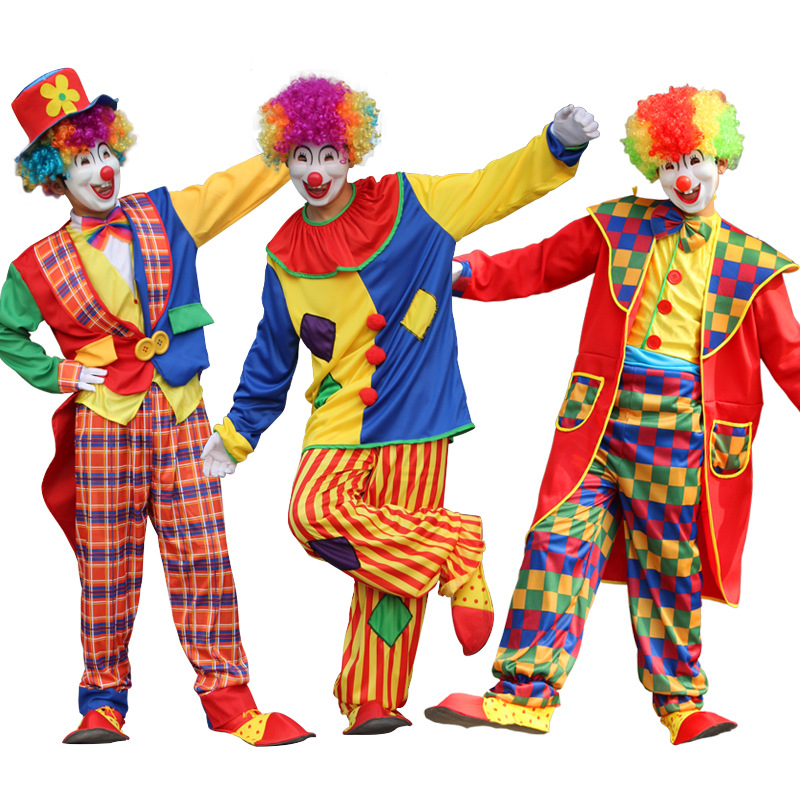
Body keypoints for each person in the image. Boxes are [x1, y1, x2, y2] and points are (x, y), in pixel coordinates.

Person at [202, 75, 598, 734]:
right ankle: (457, 547)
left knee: (387, 565)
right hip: (339, 417)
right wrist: (238, 433)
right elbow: (272, 355)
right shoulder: (285, 252)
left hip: (417, 412)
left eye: (328, 154)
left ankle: (373, 699)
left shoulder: (412, 204)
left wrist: (556, 146)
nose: (315, 172)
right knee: (313, 514)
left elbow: (494, 186)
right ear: (284, 158)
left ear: (351, 151)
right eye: (301, 156)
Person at [425, 85, 800, 745]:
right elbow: (539, 265)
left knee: (668, 562)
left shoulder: (752, 264)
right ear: (653, 166)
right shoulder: (618, 224)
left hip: (681, 434)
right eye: (670, 165)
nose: (684, 178)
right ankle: (522, 695)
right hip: (597, 422)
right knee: (554, 542)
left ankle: (682, 702)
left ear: (722, 162)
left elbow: (791, 356)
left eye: (696, 161)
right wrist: (461, 272)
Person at [0, 67, 313, 746]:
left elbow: (233, 188)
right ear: (54, 176)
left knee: (204, 555)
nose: (102, 170)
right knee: (106, 566)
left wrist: (293, 137)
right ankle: (102, 700)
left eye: (104, 151)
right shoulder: (34, 266)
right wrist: (59, 373)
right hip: (103, 426)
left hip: (181, 412)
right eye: (82, 160)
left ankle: (229, 699)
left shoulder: (165, 213)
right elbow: (5, 332)